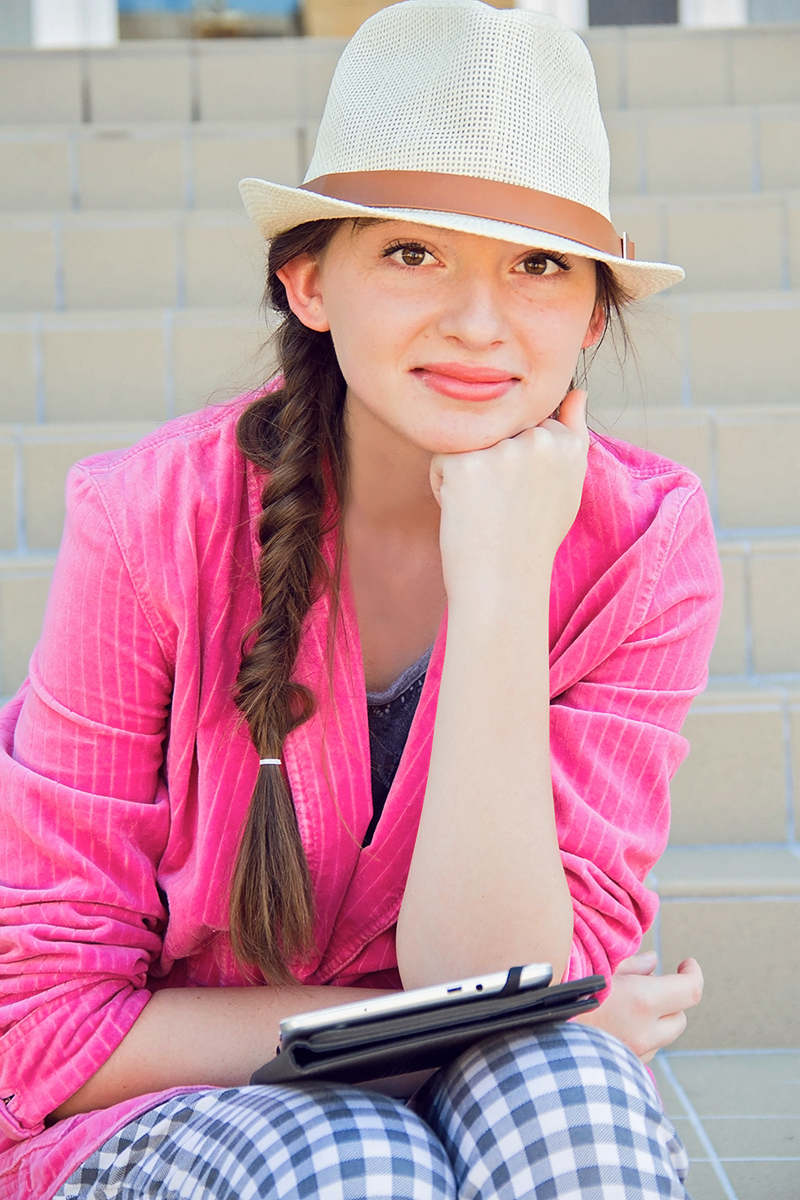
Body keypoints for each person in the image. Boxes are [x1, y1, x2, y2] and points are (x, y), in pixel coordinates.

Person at [0, 2, 721, 1197]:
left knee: (568, 1092)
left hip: (481, 1098)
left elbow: (509, 992)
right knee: (363, 1154)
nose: (478, 322)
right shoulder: (148, 525)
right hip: (163, 1127)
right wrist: (420, 1038)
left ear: (593, 314)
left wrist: (497, 583)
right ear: (308, 282)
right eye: (411, 252)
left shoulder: (639, 545)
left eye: (537, 265)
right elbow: (46, 1027)